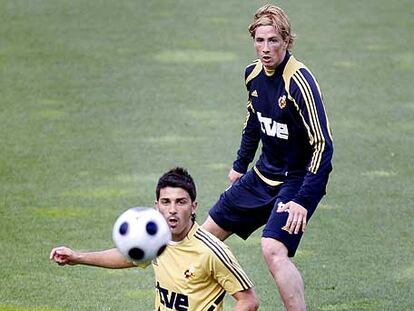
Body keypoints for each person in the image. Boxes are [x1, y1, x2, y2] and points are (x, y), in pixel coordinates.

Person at [202, 4, 333, 311]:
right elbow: (254, 123)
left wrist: (303, 199)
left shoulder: (300, 82)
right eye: (259, 40)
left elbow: (323, 145)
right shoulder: (252, 75)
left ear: (287, 41)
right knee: (204, 241)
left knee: (273, 249)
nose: (265, 48)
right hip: (262, 175)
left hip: (297, 181)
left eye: (273, 40)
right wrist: (239, 166)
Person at [50, 167, 259, 311]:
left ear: (193, 207)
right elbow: (128, 257)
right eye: (166, 202)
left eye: (181, 202)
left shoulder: (211, 250)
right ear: (156, 206)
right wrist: (77, 257)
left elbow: (248, 301)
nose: (172, 210)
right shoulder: (157, 240)